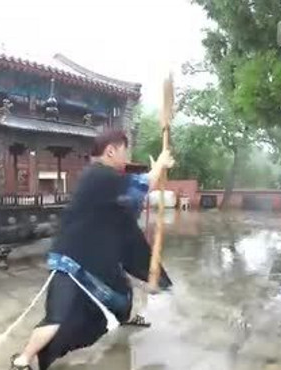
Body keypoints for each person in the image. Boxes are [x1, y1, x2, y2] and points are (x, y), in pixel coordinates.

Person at [10, 129, 175, 370]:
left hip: (89, 257)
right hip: (71, 260)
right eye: (124, 151)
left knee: (121, 291)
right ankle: (23, 360)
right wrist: (159, 167)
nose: (126, 157)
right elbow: (137, 187)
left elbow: (124, 207)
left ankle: (127, 317)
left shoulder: (102, 178)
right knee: (59, 317)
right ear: (111, 150)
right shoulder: (100, 176)